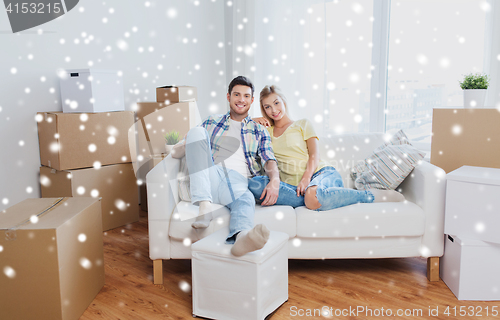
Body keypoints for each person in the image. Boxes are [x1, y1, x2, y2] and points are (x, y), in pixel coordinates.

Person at [171, 76, 281, 256]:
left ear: (252, 101)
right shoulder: (211, 121)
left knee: (246, 199)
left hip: (239, 181)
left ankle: (242, 237)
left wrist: (275, 180)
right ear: (228, 97)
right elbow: (178, 151)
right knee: (197, 131)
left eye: (246, 96)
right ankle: (204, 206)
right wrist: (189, 141)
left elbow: (269, 158)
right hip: (210, 176)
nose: (241, 100)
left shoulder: (259, 130)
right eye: (237, 95)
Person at [250, 85, 404, 211]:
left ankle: (369, 196)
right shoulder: (265, 131)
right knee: (255, 184)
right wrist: (250, 119)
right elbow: (235, 125)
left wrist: (306, 179)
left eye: (276, 103)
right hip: (292, 187)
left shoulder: (302, 124)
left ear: (283, 101)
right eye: (267, 107)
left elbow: (314, 154)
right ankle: (322, 197)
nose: (274, 110)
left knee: (311, 195)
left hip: (321, 174)